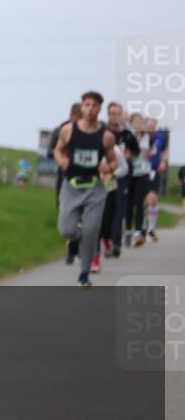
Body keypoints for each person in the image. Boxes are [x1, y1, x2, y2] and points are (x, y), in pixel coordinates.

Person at [53, 91, 118, 287]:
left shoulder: (106, 136)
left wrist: (108, 168)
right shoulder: (68, 130)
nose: (90, 109)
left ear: (99, 109)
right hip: (71, 186)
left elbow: (113, 161)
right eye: (87, 105)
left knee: (91, 231)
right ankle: (75, 240)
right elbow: (57, 149)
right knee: (66, 230)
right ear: (82, 107)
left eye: (94, 105)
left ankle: (84, 274)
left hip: (94, 189)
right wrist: (61, 160)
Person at [105, 102, 138, 258]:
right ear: (108, 114)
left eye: (117, 113)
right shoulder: (103, 131)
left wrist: (128, 154)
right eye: (112, 113)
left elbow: (135, 151)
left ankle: (116, 243)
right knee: (107, 209)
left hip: (123, 175)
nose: (115, 116)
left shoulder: (127, 134)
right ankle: (107, 240)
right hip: (107, 176)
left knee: (120, 208)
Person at [50, 103, 83, 207]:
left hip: (83, 173)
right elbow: (51, 151)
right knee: (62, 203)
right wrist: (62, 158)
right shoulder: (60, 130)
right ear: (71, 115)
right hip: (64, 172)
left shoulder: (87, 130)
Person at [127, 113, 152, 247]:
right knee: (129, 203)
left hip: (143, 172)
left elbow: (148, 152)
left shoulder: (147, 137)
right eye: (135, 122)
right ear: (131, 124)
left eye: (139, 122)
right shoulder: (128, 137)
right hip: (130, 172)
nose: (137, 124)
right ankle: (128, 230)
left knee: (139, 202)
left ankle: (138, 232)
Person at [143, 118, 168, 243]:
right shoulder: (141, 136)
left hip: (154, 171)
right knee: (142, 201)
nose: (151, 127)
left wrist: (163, 161)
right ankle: (141, 227)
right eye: (149, 124)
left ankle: (151, 229)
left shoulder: (160, 137)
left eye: (153, 125)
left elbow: (164, 150)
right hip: (141, 172)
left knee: (152, 200)